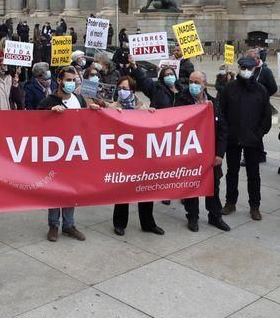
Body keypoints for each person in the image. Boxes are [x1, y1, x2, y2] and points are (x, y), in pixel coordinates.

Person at [38, 66, 99, 241]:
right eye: (68, 80)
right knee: (55, 190)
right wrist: (49, 114)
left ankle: (69, 225)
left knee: (71, 190)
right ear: (59, 81)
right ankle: (53, 225)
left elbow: (85, 123)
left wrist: (92, 112)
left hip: (74, 153)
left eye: (74, 80)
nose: (71, 83)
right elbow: (35, 124)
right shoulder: (47, 101)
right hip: (54, 154)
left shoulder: (78, 99)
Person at [115, 66, 174, 235]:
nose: (121, 91)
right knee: (122, 191)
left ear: (133, 91)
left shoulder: (143, 108)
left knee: (145, 189)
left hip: (141, 155)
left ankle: (148, 223)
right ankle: (119, 223)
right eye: (119, 88)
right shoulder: (113, 108)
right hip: (122, 157)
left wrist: (152, 114)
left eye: (125, 88)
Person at [174, 71, 230, 232]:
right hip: (190, 153)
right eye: (191, 81)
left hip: (210, 154)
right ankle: (192, 217)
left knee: (213, 186)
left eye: (197, 82)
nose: (193, 85)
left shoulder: (213, 103)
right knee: (192, 186)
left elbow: (223, 131)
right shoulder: (181, 101)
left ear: (205, 84)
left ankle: (215, 216)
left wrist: (219, 154)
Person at [218, 57, 272, 221]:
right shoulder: (230, 88)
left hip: (253, 141)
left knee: (253, 174)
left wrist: (259, 134)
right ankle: (230, 202)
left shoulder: (261, 90)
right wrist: (226, 133)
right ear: (239, 67)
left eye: (249, 68)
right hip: (233, 139)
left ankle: (254, 206)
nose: (246, 70)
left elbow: (266, 116)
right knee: (232, 173)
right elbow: (222, 113)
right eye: (243, 67)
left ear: (254, 69)